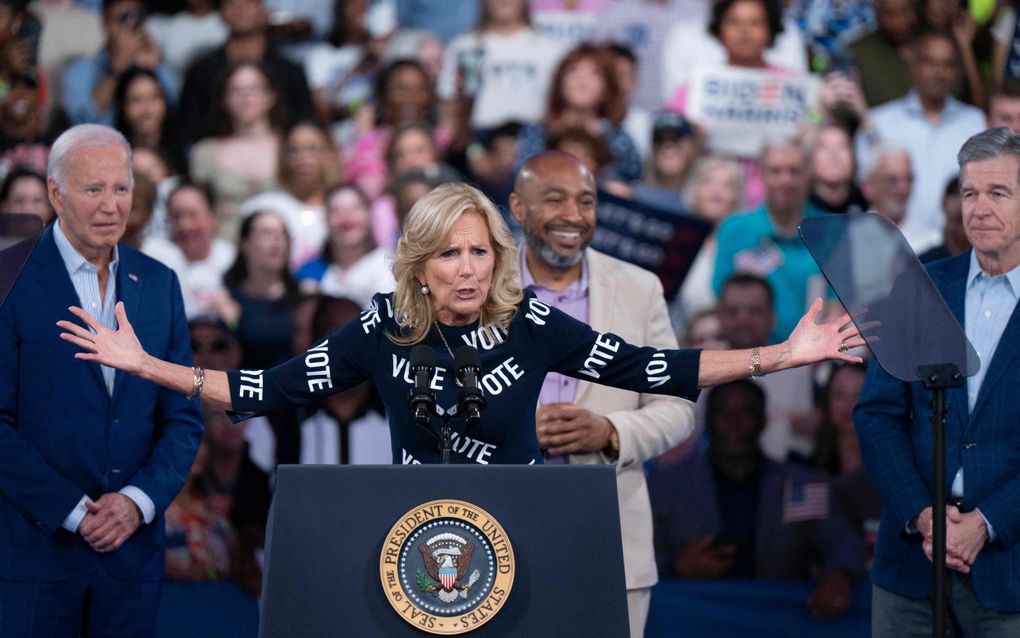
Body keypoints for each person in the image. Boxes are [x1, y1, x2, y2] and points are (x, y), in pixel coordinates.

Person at [58, 182, 864, 468]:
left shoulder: (533, 323)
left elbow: (660, 370)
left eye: (481, 250)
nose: (471, 268)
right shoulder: (380, 329)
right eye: (451, 254)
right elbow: (259, 390)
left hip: (525, 528)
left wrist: (781, 355)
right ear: (419, 264)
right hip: (411, 531)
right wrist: (142, 365)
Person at [0, 124, 203, 636]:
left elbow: (182, 417)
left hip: (131, 562)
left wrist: (137, 502)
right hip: (36, 555)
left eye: (122, 188)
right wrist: (73, 511)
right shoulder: (9, 278)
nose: (111, 205)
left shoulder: (159, 284)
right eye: (94, 189)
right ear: (55, 192)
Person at [509, 151, 692, 638]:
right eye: (554, 199)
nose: (573, 215)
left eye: (585, 201)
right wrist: (511, 428)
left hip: (610, 538)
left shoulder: (639, 288)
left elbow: (676, 406)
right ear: (518, 209)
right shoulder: (477, 285)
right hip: (497, 532)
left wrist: (612, 431)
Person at [856, 127, 1020, 634]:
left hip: (1009, 570)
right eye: (970, 193)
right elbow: (877, 415)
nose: (979, 208)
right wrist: (923, 515)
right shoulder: (920, 287)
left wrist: (986, 522)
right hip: (911, 565)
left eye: (998, 193)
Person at [647, 380, 864, 619]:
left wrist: (840, 575)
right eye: (723, 412)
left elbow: (842, 542)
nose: (734, 422)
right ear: (707, 420)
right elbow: (634, 559)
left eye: (745, 411)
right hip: (692, 621)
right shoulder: (664, 484)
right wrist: (677, 568)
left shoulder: (801, 484)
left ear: (763, 419)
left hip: (779, 623)